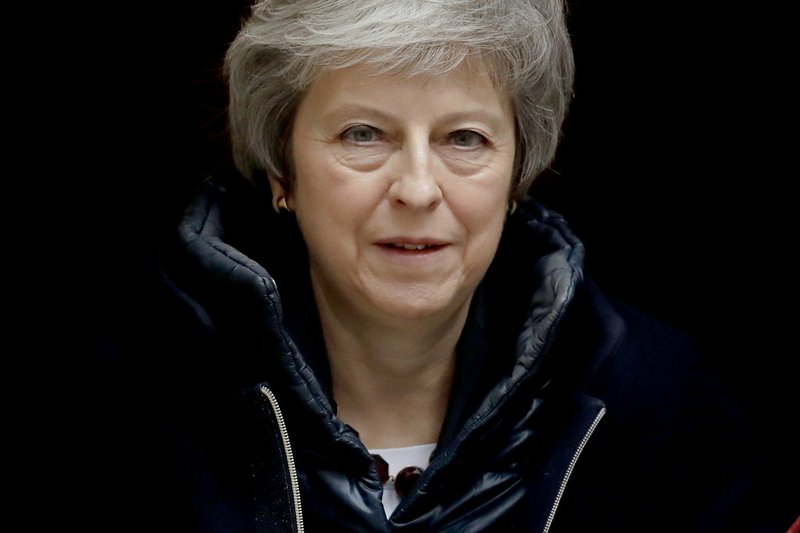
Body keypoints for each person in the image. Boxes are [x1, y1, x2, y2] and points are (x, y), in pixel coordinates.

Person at [79, 0, 797, 531]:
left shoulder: (662, 407)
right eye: (364, 134)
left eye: (464, 138)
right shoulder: (125, 414)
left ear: (519, 172)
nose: (418, 188)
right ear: (281, 171)